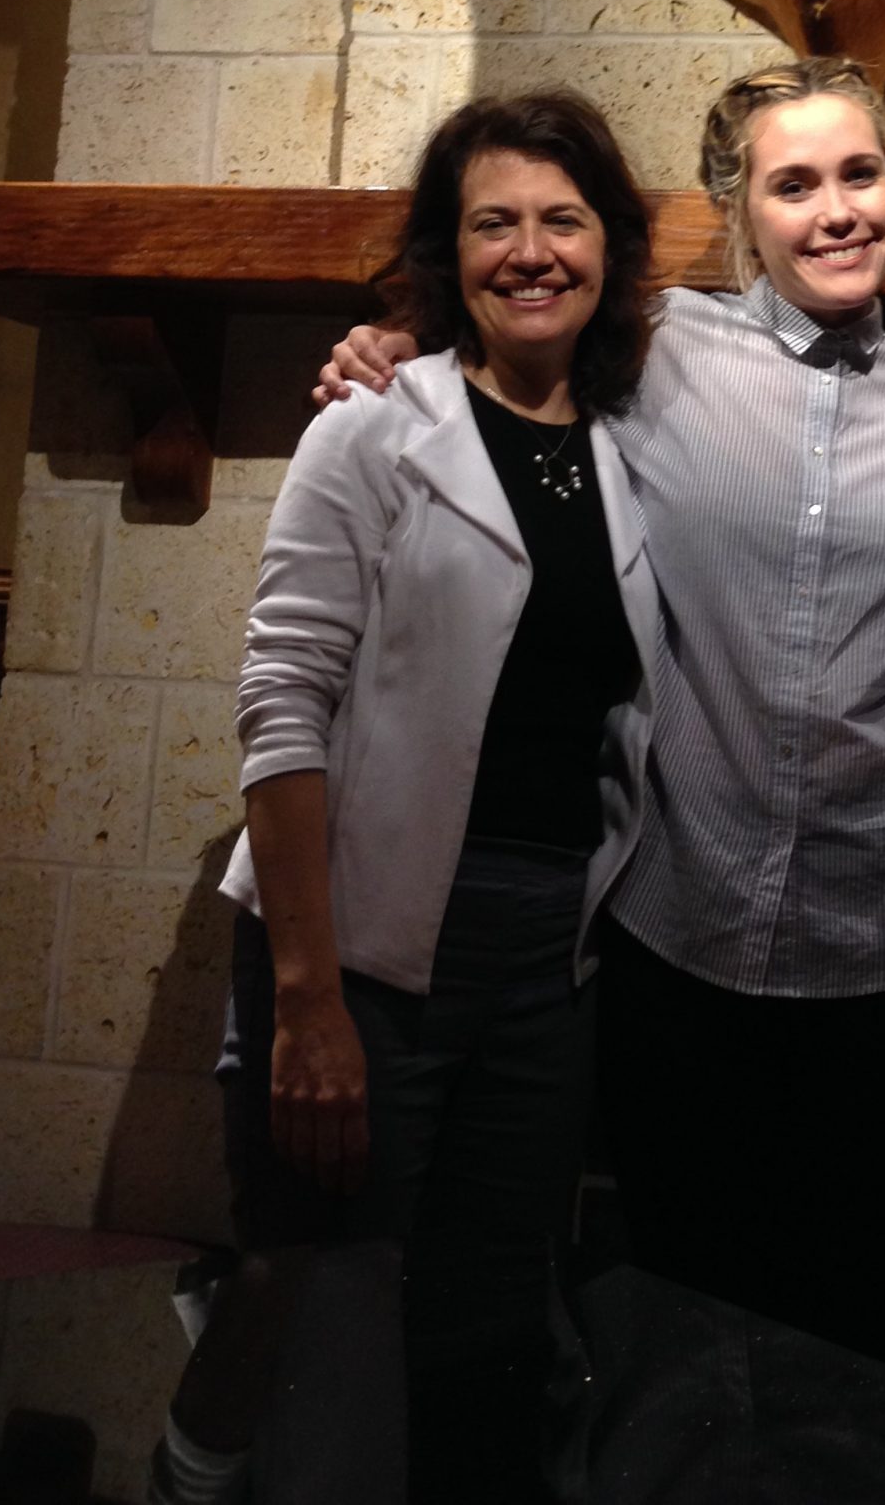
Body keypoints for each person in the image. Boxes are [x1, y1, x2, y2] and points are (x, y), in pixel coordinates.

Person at [318, 55, 885, 1374]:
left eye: (861, 173)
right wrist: (392, 346)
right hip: (681, 937)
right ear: (740, 212)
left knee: (877, 1330)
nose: (837, 209)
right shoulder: (658, 351)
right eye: (793, 185)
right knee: (684, 1313)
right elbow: (504, 369)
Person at [149, 91, 663, 1505]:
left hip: (546, 954)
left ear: (610, 247)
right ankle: (193, 1482)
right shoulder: (375, 427)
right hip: (361, 949)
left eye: (563, 219)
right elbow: (281, 707)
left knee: (486, 1310)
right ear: (450, 252)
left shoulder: (630, 453)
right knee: (309, 1283)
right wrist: (309, 998)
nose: (531, 250)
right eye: (493, 222)